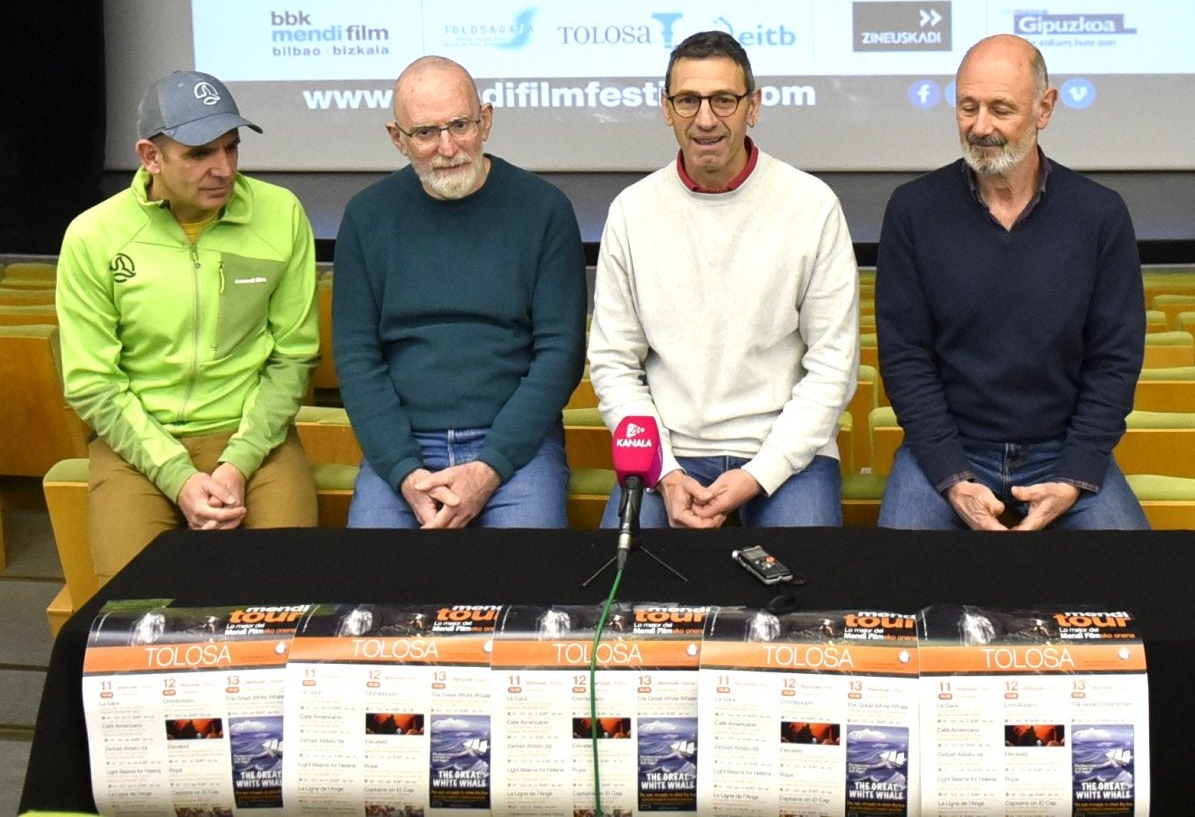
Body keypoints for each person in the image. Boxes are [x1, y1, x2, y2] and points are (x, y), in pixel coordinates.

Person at [875, 33, 1149, 531]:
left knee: (1133, 588)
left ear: (1044, 109)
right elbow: (905, 357)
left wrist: (1074, 474)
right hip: (947, 450)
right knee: (899, 588)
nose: (981, 127)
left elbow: (1115, 360)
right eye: (967, 107)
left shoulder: (1100, 214)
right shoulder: (914, 210)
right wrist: (951, 475)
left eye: (1001, 109)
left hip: (1062, 451)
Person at [589, 30, 859, 529]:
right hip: (669, 455)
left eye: (724, 100)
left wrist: (761, 472)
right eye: (688, 101)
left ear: (753, 107)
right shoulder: (632, 211)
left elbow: (833, 369)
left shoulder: (812, 206)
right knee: (622, 599)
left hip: (788, 454)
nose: (706, 119)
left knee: (805, 597)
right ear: (666, 109)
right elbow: (614, 364)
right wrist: (664, 472)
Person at [55, 70, 319, 580]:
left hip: (253, 437)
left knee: (287, 592)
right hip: (138, 442)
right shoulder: (93, 236)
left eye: (231, 148)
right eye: (199, 153)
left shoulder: (281, 214)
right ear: (150, 157)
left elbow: (293, 356)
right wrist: (176, 475)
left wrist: (239, 463)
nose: (223, 168)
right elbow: (92, 382)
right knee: (137, 612)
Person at [333, 55, 585, 529]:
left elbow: (561, 354)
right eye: (426, 133)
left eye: (460, 125)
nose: (447, 147)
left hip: (516, 446)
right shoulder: (367, 217)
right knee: (370, 587)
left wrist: (491, 467)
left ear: (485, 120)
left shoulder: (544, 210)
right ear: (397, 139)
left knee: (527, 587)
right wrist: (404, 471)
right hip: (404, 446)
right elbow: (356, 358)